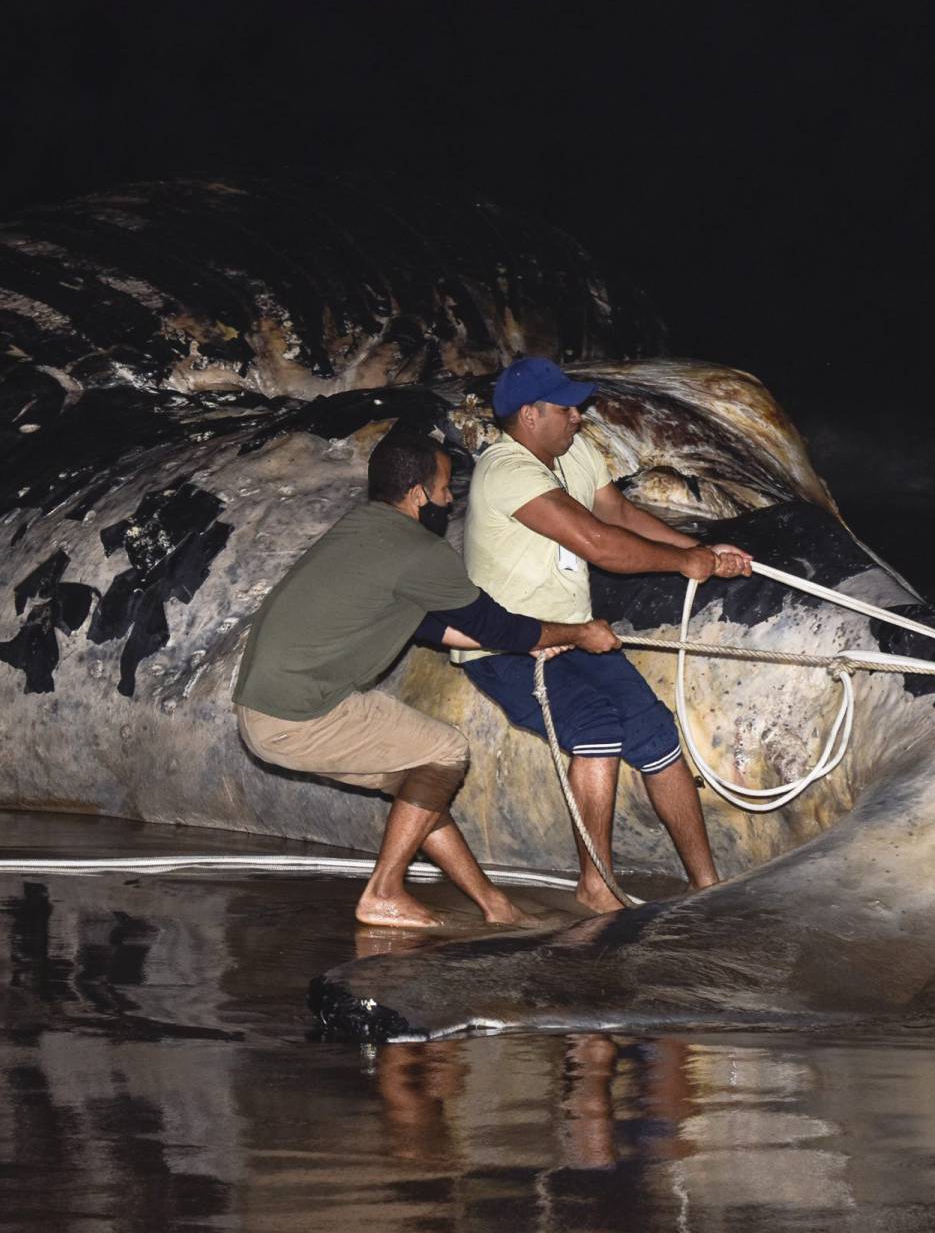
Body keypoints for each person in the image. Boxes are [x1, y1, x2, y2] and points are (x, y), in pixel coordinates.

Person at [233, 427, 621, 930]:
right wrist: (577, 632)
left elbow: (429, 622)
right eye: (443, 488)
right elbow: (496, 626)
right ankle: (383, 892)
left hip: (268, 707)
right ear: (417, 495)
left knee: (419, 782)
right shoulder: (419, 551)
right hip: (301, 712)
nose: (447, 498)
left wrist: (548, 637)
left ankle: (492, 904)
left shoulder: (363, 529)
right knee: (443, 753)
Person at [456, 356, 753, 913]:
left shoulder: (576, 450)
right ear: (529, 414)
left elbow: (615, 512)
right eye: (566, 408)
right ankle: (596, 885)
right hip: (511, 644)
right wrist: (683, 563)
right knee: (596, 726)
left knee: (658, 736)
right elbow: (598, 544)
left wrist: (702, 552)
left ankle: (707, 884)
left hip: (576, 635)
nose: (579, 416)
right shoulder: (507, 469)